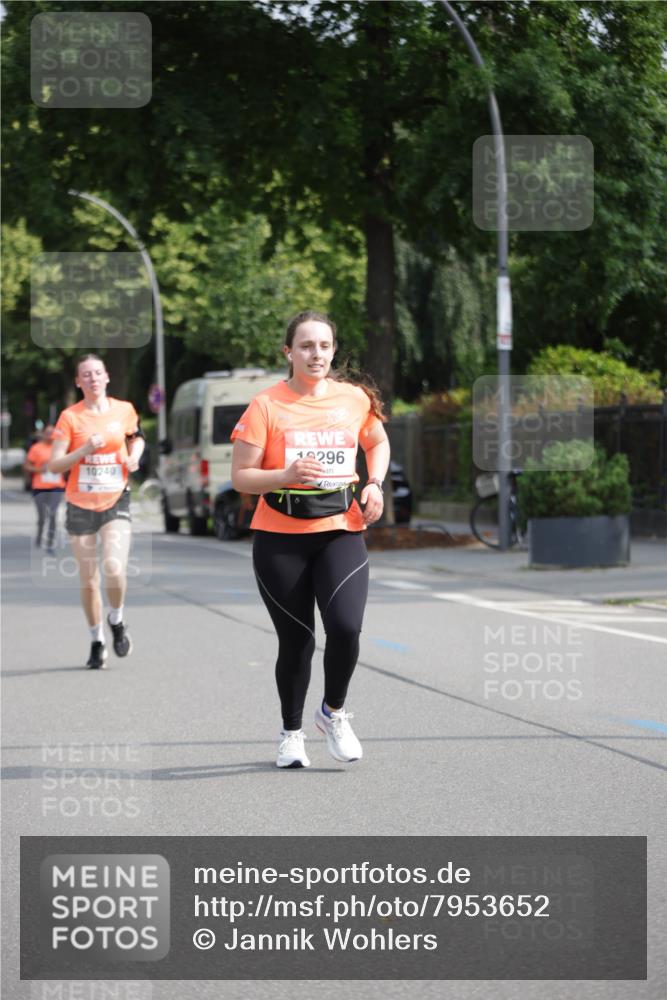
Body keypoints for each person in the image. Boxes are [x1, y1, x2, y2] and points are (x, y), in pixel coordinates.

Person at [231, 310, 390, 768]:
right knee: (297, 641)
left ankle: (333, 713)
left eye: (323, 345)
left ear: (333, 350)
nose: (315, 353)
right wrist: (285, 474)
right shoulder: (266, 405)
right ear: (289, 352)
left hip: (341, 528)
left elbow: (376, 442)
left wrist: (373, 483)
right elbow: (241, 476)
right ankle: (291, 734)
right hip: (280, 537)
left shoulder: (354, 399)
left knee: (346, 627)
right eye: (305, 346)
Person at [48, 355, 145, 670]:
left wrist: (135, 457)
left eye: (98, 372)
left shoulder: (124, 410)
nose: (93, 378)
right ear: (78, 382)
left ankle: (116, 619)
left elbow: (137, 438)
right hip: (79, 504)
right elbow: (54, 464)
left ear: (106, 377)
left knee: (115, 567)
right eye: (86, 375)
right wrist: (84, 450)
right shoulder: (69, 418)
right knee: (89, 580)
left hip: (116, 499)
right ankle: (97, 640)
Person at [24, 425, 66, 555]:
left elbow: (67, 464)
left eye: (52, 433)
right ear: (43, 434)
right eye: (48, 433)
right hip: (40, 487)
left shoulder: (60, 448)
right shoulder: (36, 448)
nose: (50, 436)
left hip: (57, 487)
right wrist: (39, 470)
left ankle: (50, 543)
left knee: (53, 514)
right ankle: (39, 535)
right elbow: (27, 465)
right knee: (42, 516)